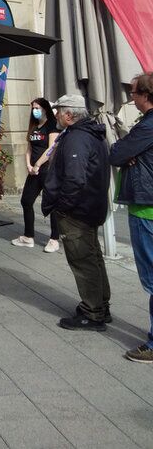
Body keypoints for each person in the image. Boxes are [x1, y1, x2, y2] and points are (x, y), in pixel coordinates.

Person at [42, 93, 111, 331]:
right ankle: (100, 305)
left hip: (78, 211)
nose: (56, 115)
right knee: (92, 257)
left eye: (59, 111)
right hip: (90, 206)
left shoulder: (77, 138)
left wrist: (63, 206)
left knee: (83, 260)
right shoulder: (89, 133)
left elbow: (74, 178)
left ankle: (93, 313)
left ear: (70, 115)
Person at [109, 73, 153, 363]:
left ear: (144, 95)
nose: (130, 97)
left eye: (133, 92)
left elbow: (116, 153)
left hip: (146, 208)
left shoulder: (147, 126)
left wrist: (127, 154)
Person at [11, 98, 60, 252]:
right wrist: (29, 165)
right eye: (33, 108)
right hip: (33, 170)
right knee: (26, 201)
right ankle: (28, 236)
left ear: (45, 108)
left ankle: (54, 239)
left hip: (48, 169)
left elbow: (52, 148)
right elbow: (29, 148)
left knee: (51, 204)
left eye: (37, 107)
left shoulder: (52, 126)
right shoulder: (34, 126)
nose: (35, 110)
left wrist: (38, 164)